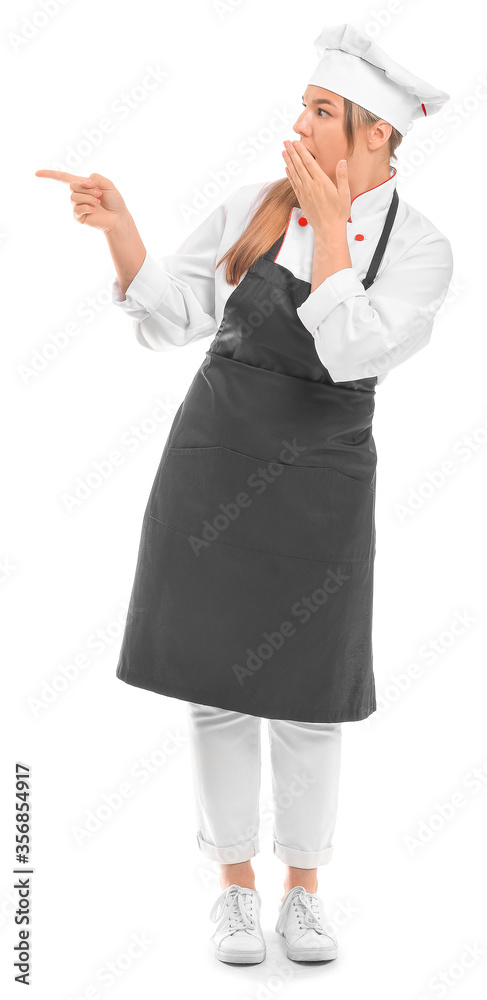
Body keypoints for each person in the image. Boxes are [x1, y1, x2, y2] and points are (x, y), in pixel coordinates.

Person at [35, 22, 453, 966]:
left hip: (324, 486)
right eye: (302, 106)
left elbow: (353, 353)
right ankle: (232, 888)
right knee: (216, 693)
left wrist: (336, 233)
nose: (296, 124)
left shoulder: (422, 251)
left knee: (310, 695)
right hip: (212, 462)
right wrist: (121, 231)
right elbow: (177, 315)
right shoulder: (254, 206)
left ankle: (305, 893)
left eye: (319, 112)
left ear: (376, 133)